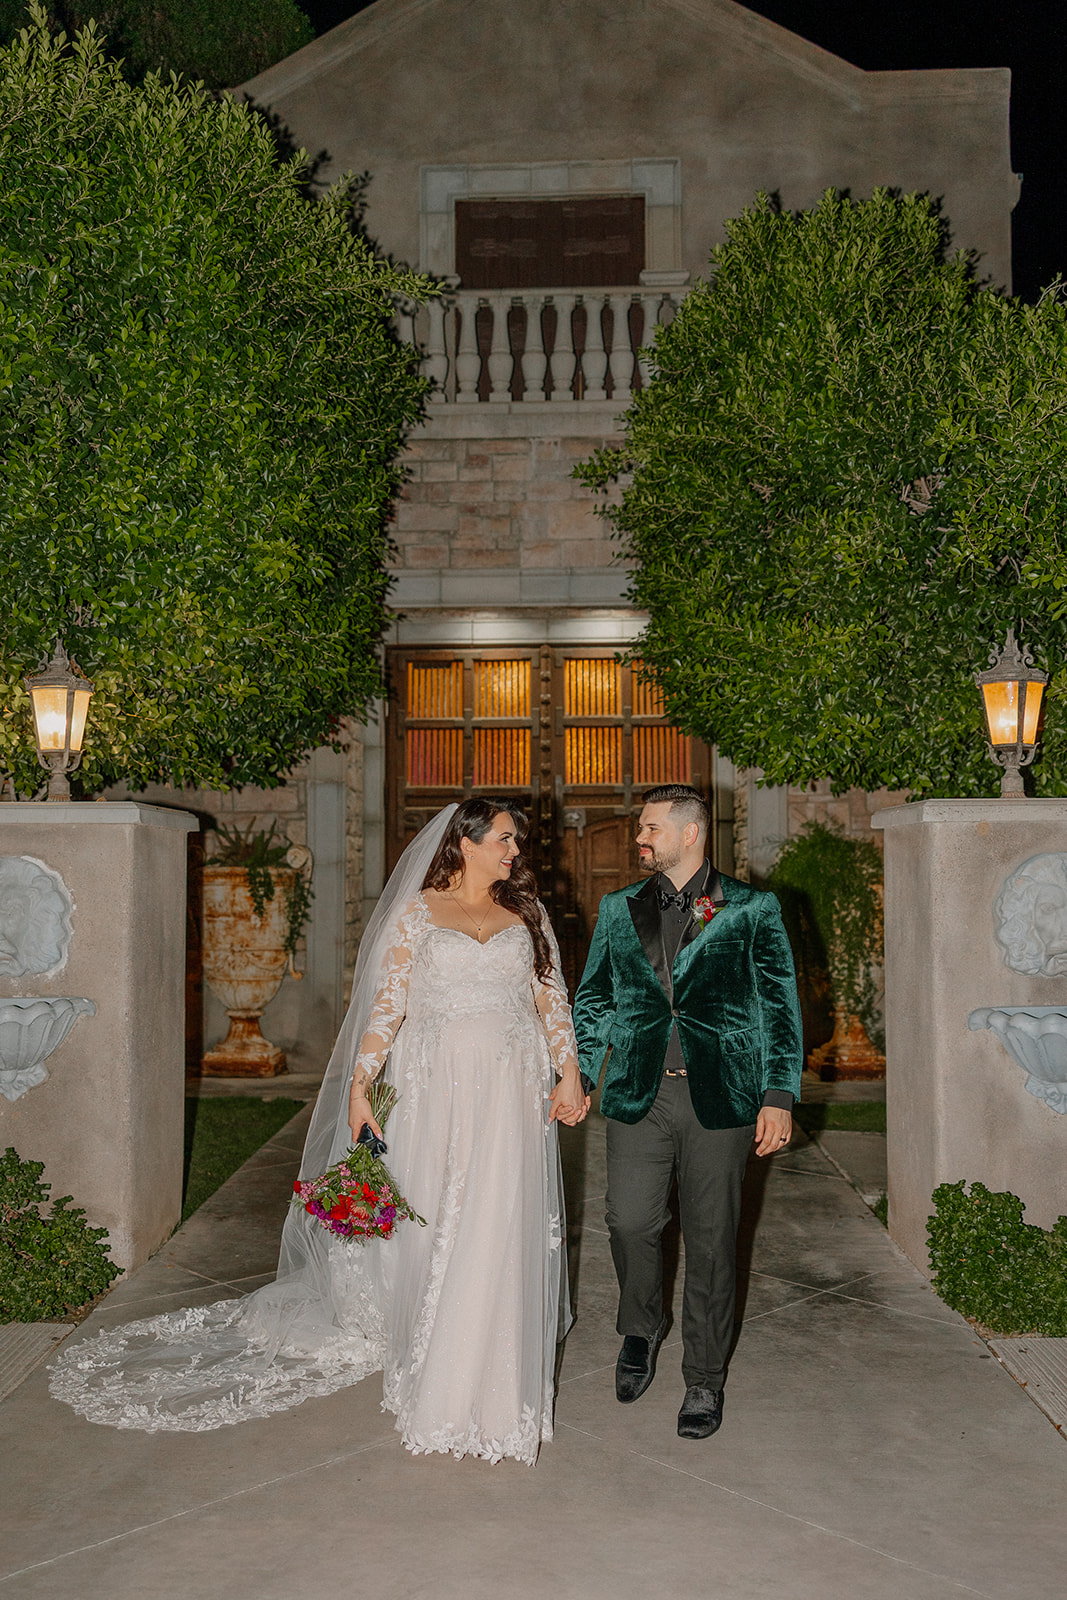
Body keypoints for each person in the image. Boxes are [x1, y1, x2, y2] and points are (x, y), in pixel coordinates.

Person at [50, 799, 587, 1465]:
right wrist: (361, 1087)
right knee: (443, 1222)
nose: (514, 851)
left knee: (500, 1223)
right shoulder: (417, 913)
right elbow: (386, 1011)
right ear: (465, 842)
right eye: (504, 839)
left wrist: (568, 1072)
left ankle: (502, 1385)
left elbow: (550, 997)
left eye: (514, 841)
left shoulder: (526, 915)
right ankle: (440, 1374)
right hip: (437, 1088)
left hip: (510, 1090)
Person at [572, 784, 802, 1441]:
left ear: (689, 833)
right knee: (629, 1220)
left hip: (721, 1097)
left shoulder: (748, 907)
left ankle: (702, 1377)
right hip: (639, 1094)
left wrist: (778, 1095)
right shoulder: (620, 908)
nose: (639, 838)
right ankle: (639, 1329)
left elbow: (779, 1007)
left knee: (710, 1240)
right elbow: (595, 1000)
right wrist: (581, 1073)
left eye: (649, 828)